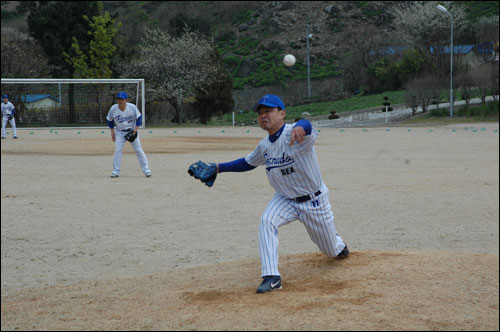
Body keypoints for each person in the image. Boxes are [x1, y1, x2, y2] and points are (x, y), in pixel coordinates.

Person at [189, 94, 349, 293]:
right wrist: (219, 168)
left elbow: (307, 125)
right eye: (261, 113)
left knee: (330, 250)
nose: (264, 115)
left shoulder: (296, 134)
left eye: (269, 111)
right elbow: (248, 163)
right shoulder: (265, 145)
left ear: (282, 114)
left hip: (313, 201)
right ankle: (271, 277)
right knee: (267, 221)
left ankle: (337, 243)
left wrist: (301, 125)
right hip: (284, 199)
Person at [106, 91, 151, 178]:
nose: (120, 101)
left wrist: (135, 129)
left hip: (132, 131)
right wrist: (112, 132)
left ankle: (146, 170)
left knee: (139, 150)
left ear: (126, 100)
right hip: (120, 132)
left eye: (122, 99)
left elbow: (139, 117)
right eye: (118, 99)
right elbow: (110, 120)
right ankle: (116, 171)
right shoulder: (113, 109)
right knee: (118, 150)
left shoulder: (132, 107)